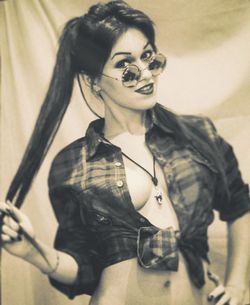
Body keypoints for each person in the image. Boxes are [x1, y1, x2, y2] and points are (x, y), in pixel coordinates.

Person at [0, 1, 250, 304]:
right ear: (93, 81)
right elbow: (85, 270)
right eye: (124, 65)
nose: (144, 73)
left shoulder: (197, 136)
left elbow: (240, 207)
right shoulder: (74, 165)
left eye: (148, 57)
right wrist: (33, 251)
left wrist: (237, 285)